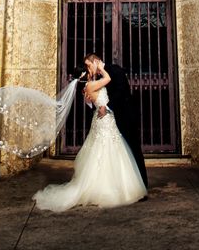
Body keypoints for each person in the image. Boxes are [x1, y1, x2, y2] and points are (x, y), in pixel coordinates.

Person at [33, 62, 147, 211]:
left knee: (105, 151)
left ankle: (109, 184)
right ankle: (106, 188)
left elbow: (93, 101)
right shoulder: (92, 85)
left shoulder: (88, 87)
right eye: (88, 69)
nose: (91, 70)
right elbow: (108, 79)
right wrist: (101, 68)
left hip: (103, 120)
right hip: (105, 121)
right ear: (85, 74)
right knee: (107, 151)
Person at [84, 53, 148, 188]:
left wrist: (106, 107)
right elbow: (99, 99)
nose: (88, 69)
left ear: (96, 61)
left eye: (89, 65)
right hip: (110, 121)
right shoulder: (99, 77)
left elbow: (121, 91)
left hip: (126, 116)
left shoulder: (115, 69)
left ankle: (142, 185)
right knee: (118, 154)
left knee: (133, 150)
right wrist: (90, 101)